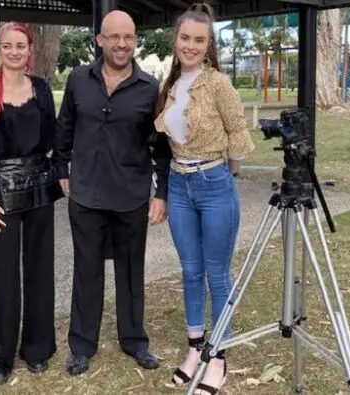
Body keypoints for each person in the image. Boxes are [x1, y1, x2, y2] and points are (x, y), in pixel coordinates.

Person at [52, 10, 173, 376]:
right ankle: (82, 346)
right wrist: (61, 169)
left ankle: (135, 341)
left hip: (131, 195)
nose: (122, 44)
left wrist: (161, 192)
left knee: (131, 271)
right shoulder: (78, 80)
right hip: (86, 194)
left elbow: (162, 146)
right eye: (114, 37)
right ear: (100, 40)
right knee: (86, 272)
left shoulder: (150, 88)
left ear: (134, 40)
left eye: (129, 37)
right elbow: (64, 128)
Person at [153, 3, 255, 394]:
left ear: (208, 43)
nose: (190, 46)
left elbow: (239, 135)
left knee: (217, 273)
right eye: (185, 38)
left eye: (199, 39)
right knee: (190, 271)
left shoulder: (218, 85)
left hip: (213, 184)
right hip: (179, 186)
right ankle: (195, 347)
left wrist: (223, 175)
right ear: (175, 40)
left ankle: (218, 357)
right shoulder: (172, 84)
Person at [0, 22, 62, 384]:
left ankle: (37, 348)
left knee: (40, 270)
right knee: (3, 275)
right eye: (8, 45)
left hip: (38, 189)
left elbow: (53, 139)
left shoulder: (41, 89)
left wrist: (61, 174)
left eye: (21, 45)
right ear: (0, 50)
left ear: (29, 49)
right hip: (0, 193)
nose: (15, 51)